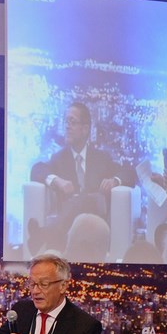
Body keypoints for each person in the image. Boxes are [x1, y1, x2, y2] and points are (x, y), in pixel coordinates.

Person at [27, 101, 136, 260]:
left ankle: (46, 233)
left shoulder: (101, 158)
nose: (67, 126)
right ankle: (49, 233)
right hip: (69, 228)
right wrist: (57, 181)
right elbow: (36, 170)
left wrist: (115, 181)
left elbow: (130, 173)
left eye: (72, 122)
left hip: (96, 221)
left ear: (85, 129)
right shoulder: (59, 158)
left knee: (88, 199)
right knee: (81, 199)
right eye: (66, 121)